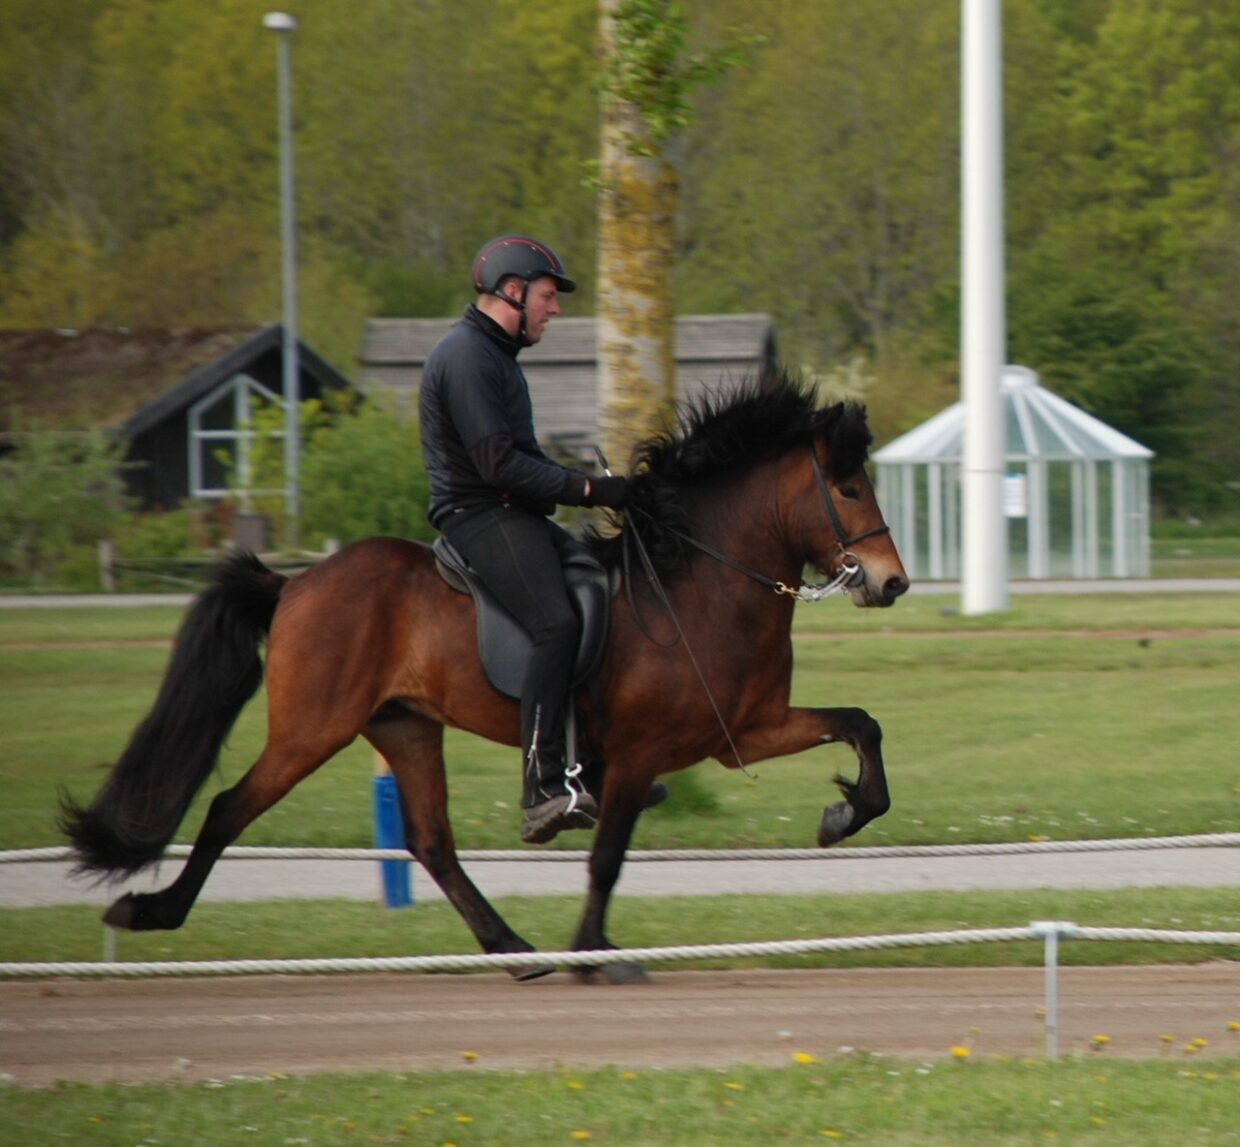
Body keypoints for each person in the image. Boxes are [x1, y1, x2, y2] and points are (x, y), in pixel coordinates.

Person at [419, 235, 628, 845]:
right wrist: (589, 492)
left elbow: (525, 461)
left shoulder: (496, 357)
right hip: (478, 514)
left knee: (601, 583)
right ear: (512, 293)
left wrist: (594, 489)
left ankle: (592, 762)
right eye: (546, 296)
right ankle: (541, 786)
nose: (554, 310)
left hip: (509, 511)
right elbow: (498, 465)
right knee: (555, 625)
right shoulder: (467, 358)